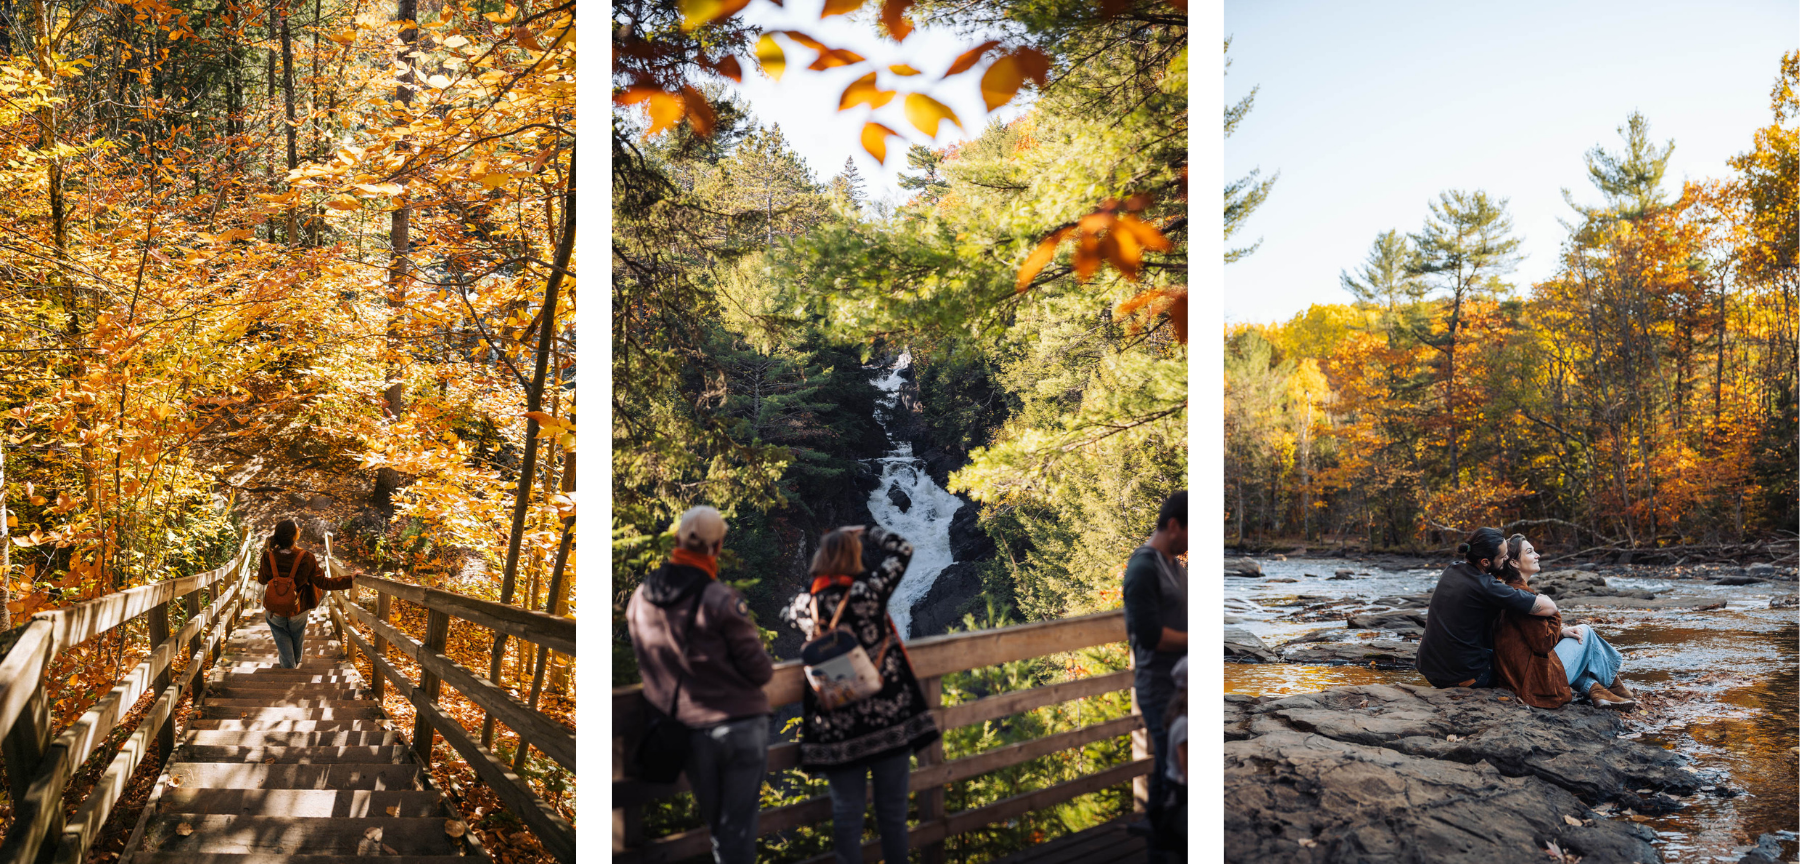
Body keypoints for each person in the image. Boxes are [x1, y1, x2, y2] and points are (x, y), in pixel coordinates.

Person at [627, 506, 775, 864]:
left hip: (688, 732)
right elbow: (760, 671)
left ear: (677, 540)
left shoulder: (640, 600)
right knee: (736, 832)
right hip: (740, 727)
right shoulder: (721, 599)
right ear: (718, 546)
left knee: (719, 831)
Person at [782, 525, 938, 864]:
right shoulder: (870, 591)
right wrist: (868, 532)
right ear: (854, 558)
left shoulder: (806, 607)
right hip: (888, 716)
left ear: (821, 560)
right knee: (894, 816)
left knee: (847, 816)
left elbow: (787, 614)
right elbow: (904, 551)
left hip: (837, 726)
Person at [1494, 534, 1635, 709]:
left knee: (1574, 637)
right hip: (1534, 686)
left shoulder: (1507, 592)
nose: (1537, 555)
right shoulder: (1522, 597)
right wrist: (1554, 613)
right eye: (1530, 552)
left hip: (1519, 678)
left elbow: (1528, 639)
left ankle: (1596, 690)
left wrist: (1560, 632)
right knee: (1585, 631)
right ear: (1514, 563)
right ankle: (1614, 686)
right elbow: (1543, 644)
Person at [1122, 491, 1187, 863]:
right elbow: (1151, 636)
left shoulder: (1174, 563)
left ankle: (1168, 845)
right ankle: (1161, 849)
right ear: (1174, 525)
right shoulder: (1144, 567)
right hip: (1158, 685)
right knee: (1170, 775)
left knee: (1174, 773)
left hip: (1181, 686)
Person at [1416, 526, 1557, 689]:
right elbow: (1549, 608)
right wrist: (1542, 597)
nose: (1506, 559)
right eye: (1503, 557)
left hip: (1429, 670)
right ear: (1485, 562)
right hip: (1466, 677)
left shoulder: (1452, 569)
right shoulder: (1487, 587)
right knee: (1521, 660)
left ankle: (1592, 688)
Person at [256, 518, 354, 669]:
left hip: (274, 608)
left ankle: (288, 667)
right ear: (293, 536)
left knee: (281, 635)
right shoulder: (306, 558)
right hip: (299, 607)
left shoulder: (268, 556)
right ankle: (294, 665)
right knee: (297, 635)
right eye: (298, 529)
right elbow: (324, 583)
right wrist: (350, 580)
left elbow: (262, 580)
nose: (299, 530)